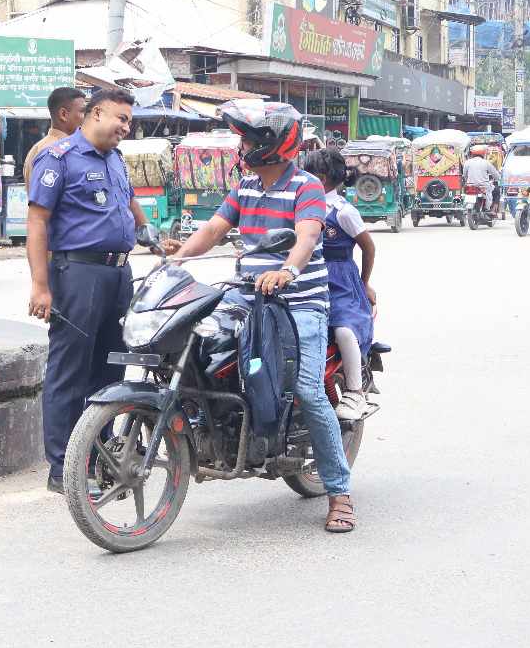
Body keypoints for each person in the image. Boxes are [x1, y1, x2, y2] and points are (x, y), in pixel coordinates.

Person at [161, 101, 356, 534]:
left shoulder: (306, 187)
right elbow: (213, 230)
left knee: (306, 389)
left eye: (247, 139)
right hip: (246, 296)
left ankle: (339, 493)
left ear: (270, 144)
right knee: (195, 351)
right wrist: (176, 258)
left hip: (300, 301)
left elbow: (306, 237)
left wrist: (287, 269)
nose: (241, 145)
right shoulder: (245, 187)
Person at [26, 89, 150, 494]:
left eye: (129, 121)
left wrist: (148, 233)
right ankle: (62, 468)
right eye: (121, 118)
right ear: (96, 113)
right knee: (70, 371)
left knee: (111, 369)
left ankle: (96, 459)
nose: (125, 127)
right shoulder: (58, 157)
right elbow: (38, 223)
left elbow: (128, 202)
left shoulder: (115, 159)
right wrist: (41, 285)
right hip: (77, 273)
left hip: (118, 274)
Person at [302, 149, 377, 421]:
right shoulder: (301, 206)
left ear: (320, 178)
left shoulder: (343, 212)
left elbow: (369, 248)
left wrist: (364, 283)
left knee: (343, 330)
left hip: (341, 283)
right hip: (307, 276)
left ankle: (355, 391)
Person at [23, 87, 86, 189]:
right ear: (63, 114)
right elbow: (44, 198)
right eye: (82, 112)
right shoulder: (52, 150)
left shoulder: (42, 146)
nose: (86, 118)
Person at [463, 146, 501, 215]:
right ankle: (492, 210)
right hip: (483, 186)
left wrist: (467, 181)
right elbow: (496, 175)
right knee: (497, 190)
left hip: (470, 186)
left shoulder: (467, 162)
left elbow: (465, 175)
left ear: (472, 154)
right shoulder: (486, 163)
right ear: (483, 154)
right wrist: (498, 177)